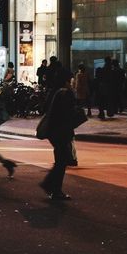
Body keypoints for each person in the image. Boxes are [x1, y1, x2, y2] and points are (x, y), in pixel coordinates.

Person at [39, 67, 76, 200]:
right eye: (70, 80)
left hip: (53, 131)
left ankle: (52, 186)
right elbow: (68, 114)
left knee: (60, 159)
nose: (71, 82)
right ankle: (52, 187)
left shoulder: (53, 91)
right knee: (62, 160)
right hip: (61, 132)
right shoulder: (65, 93)